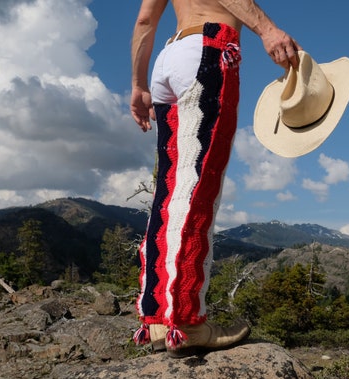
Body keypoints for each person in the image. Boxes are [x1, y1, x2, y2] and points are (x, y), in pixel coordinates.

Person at [130, 0, 302, 357]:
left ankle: (160, 320)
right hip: (208, 50)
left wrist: (138, 84)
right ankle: (190, 324)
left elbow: (147, 19)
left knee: (170, 191)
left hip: (169, 57)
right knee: (199, 187)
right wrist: (266, 29)